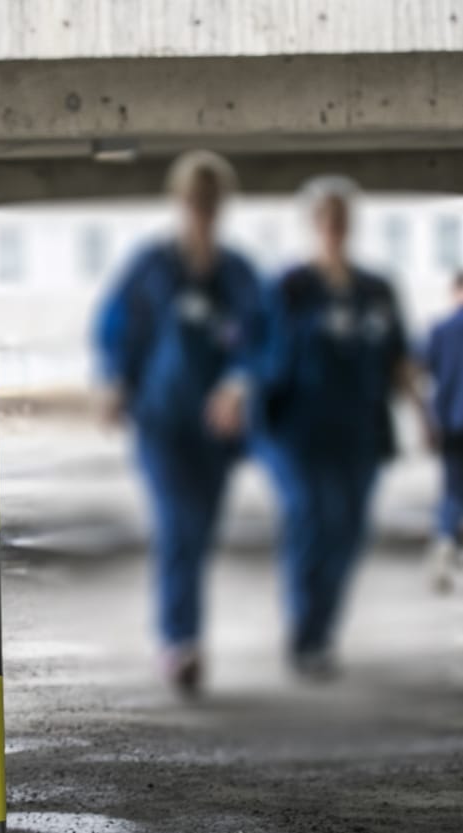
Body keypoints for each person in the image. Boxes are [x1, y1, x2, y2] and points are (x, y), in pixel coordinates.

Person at [94, 150, 261, 697]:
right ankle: (180, 642)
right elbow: (118, 326)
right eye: (194, 200)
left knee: (201, 530)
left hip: (218, 432)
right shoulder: (153, 267)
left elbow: (262, 339)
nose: (202, 211)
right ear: (179, 202)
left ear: (222, 205)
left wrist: (238, 384)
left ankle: (182, 635)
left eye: (211, 201)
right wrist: (116, 382)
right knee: (177, 526)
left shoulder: (236, 274)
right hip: (162, 421)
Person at [253, 176, 427, 679]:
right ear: (314, 226)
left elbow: (399, 361)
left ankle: (322, 633)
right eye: (326, 220)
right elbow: (257, 354)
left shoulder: (377, 289)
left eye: (342, 219)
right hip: (299, 433)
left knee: (349, 532)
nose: (334, 228)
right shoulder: (290, 287)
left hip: (360, 434)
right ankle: (305, 636)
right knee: (312, 520)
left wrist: (424, 413)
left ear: (351, 226)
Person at [421, 271, 463, 593]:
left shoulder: (441, 329)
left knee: (451, 490)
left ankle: (444, 549)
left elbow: (420, 370)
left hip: (450, 421)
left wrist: (426, 420)